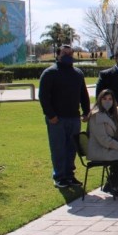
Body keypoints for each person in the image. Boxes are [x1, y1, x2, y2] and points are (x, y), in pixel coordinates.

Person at [38, 44, 91, 189]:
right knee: (58, 148)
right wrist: (51, 115)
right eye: (64, 53)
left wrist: (86, 112)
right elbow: (43, 96)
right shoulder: (50, 73)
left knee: (72, 148)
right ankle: (59, 177)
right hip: (57, 119)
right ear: (58, 55)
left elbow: (83, 94)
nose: (68, 56)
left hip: (74, 117)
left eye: (70, 53)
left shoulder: (78, 73)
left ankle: (69, 175)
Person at [86, 89, 118, 197]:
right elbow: (104, 140)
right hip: (100, 149)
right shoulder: (96, 115)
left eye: (110, 99)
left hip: (110, 147)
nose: (107, 101)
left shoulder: (112, 114)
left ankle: (115, 183)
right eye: (104, 99)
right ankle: (113, 184)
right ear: (99, 100)